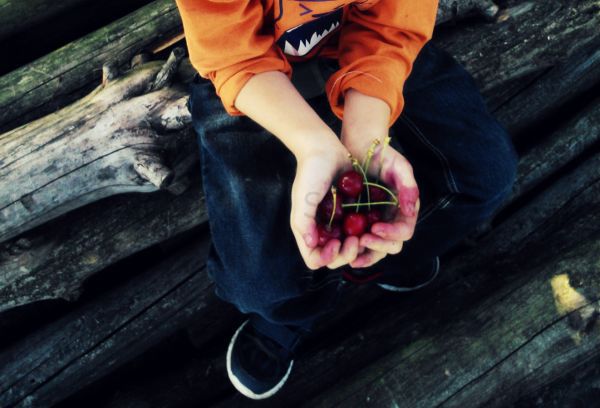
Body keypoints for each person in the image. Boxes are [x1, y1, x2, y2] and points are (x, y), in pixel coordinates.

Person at [175, 0, 518, 400]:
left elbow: (395, 21)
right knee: (260, 283)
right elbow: (233, 53)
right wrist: (312, 145)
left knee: (485, 174)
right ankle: (292, 313)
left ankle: (375, 264)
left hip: (376, 41)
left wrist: (368, 130)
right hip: (249, 71)